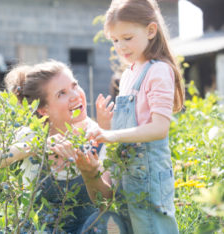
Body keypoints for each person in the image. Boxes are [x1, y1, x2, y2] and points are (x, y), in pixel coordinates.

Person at [0, 60, 128, 233]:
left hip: (86, 229)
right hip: (39, 230)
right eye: (61, 93)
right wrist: (38, 145)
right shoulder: (33, 135)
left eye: (74, 85)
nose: (75, 95)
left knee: (109, 221)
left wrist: (91, 173)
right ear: (43, 110)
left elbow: (105, 202)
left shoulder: (100, 133)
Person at [87, 0, 184, 233]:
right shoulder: (129, 74)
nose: (121, 46)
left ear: (151, 31)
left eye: (127, 38)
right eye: (115, 40)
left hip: (149, 175)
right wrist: (107, 124)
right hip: (127, 173)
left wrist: (113, 134)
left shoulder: (158, 70)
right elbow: (132, 123)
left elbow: (159, 128)